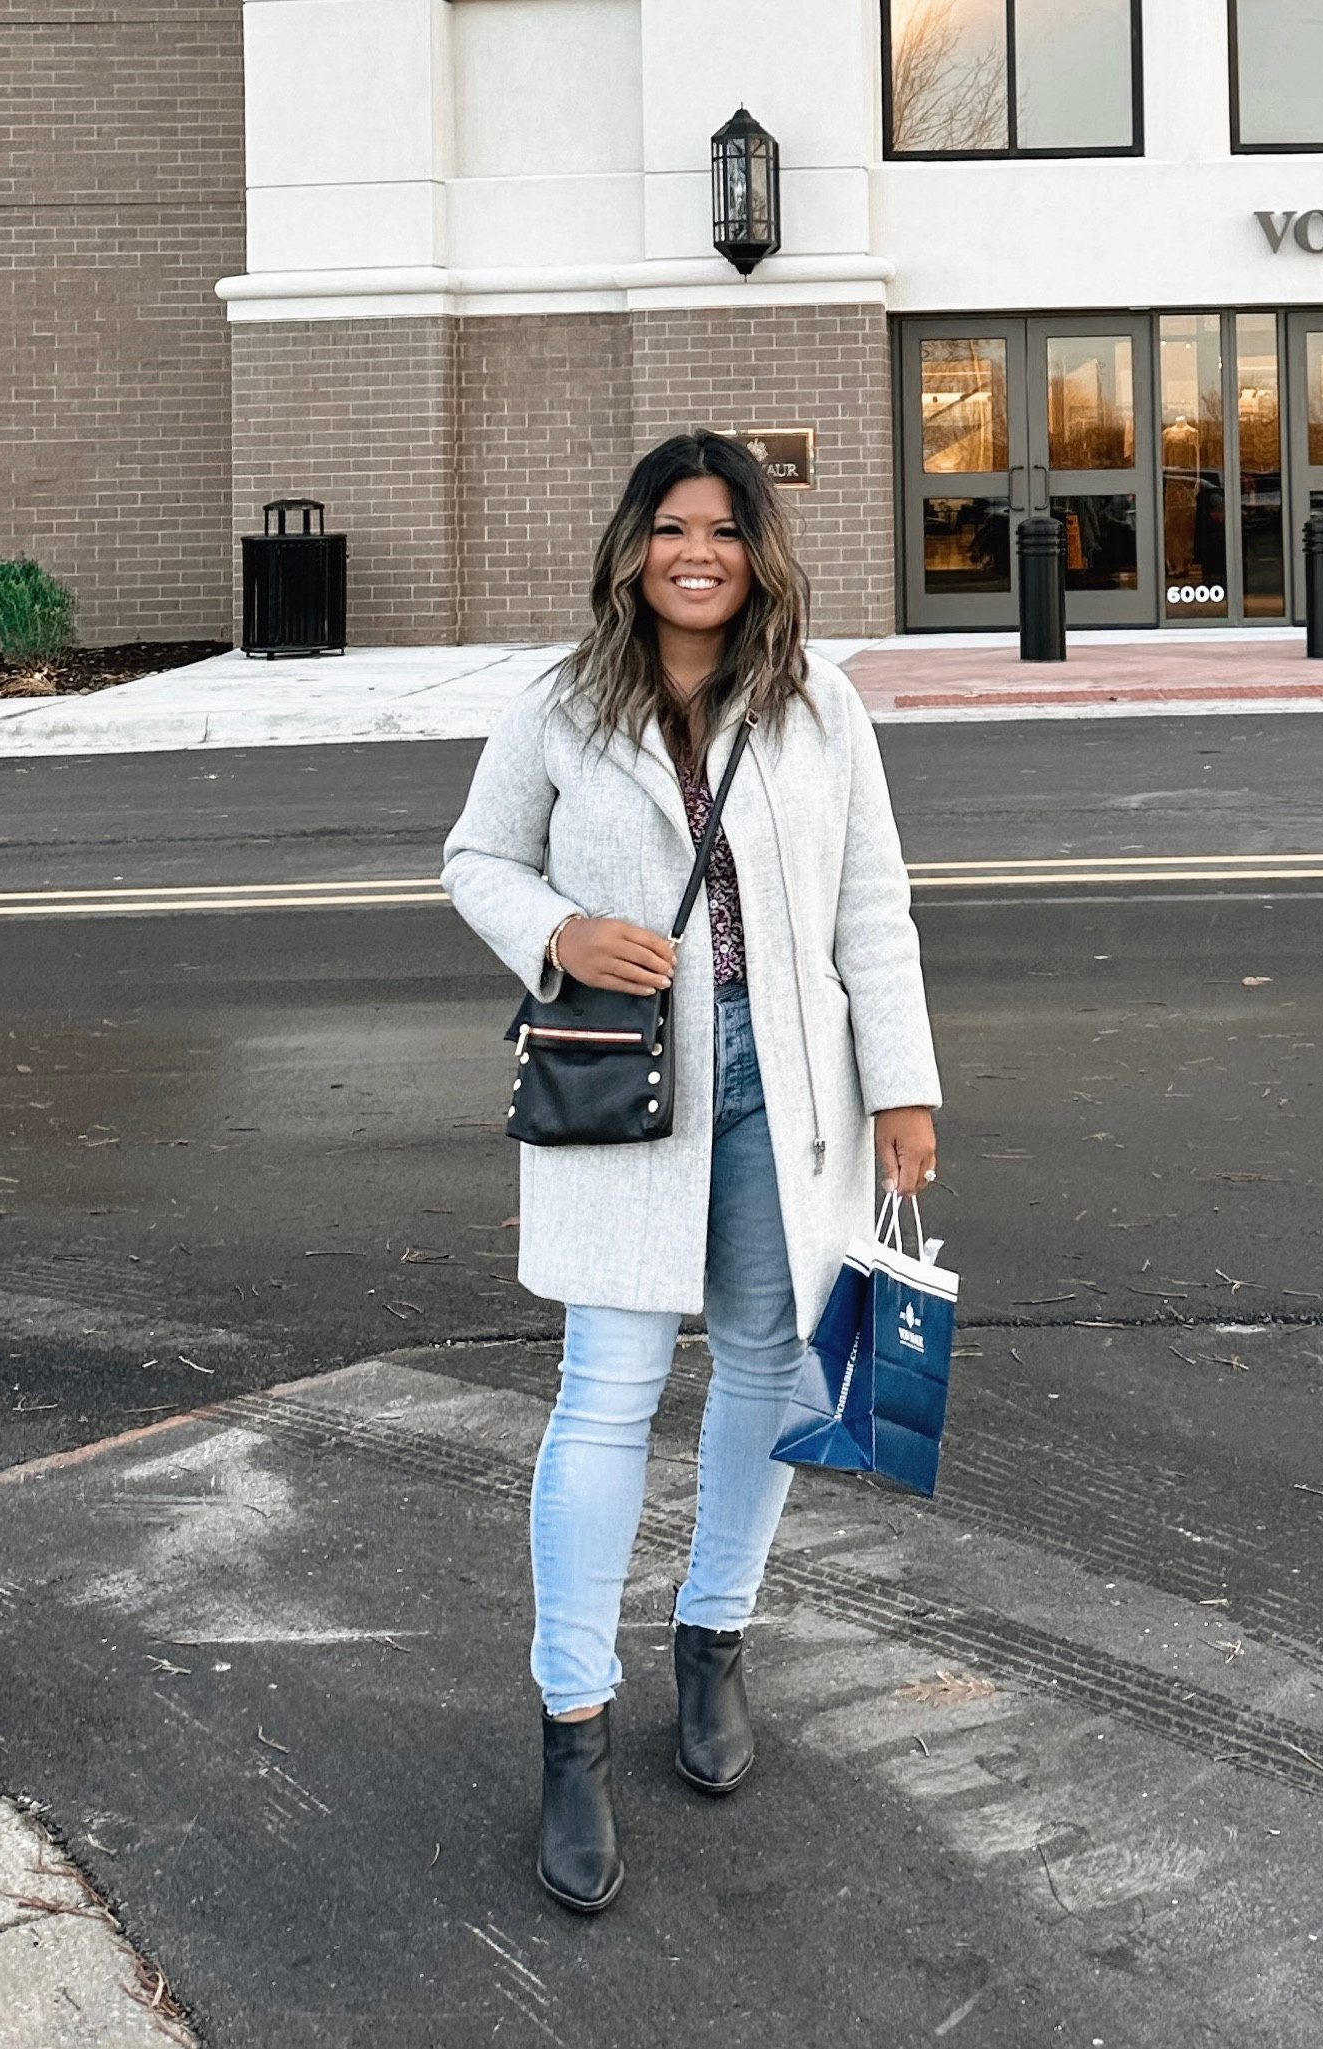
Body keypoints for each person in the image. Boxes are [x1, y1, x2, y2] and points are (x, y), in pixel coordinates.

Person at [441, 430, 941, 1913]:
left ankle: (713, 1633)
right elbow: (474, 857)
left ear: (757, 547)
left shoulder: (817, 702)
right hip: (622, 1090)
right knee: (602, 1387)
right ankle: (573, 1718)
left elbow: (873, 902)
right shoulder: (559, 702)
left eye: (722, 527)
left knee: (768, 1367)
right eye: (671, 527)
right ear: (631, 546)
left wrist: (902, 1085)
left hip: (788, 1095)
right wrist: (559, 930)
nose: (696, 551)